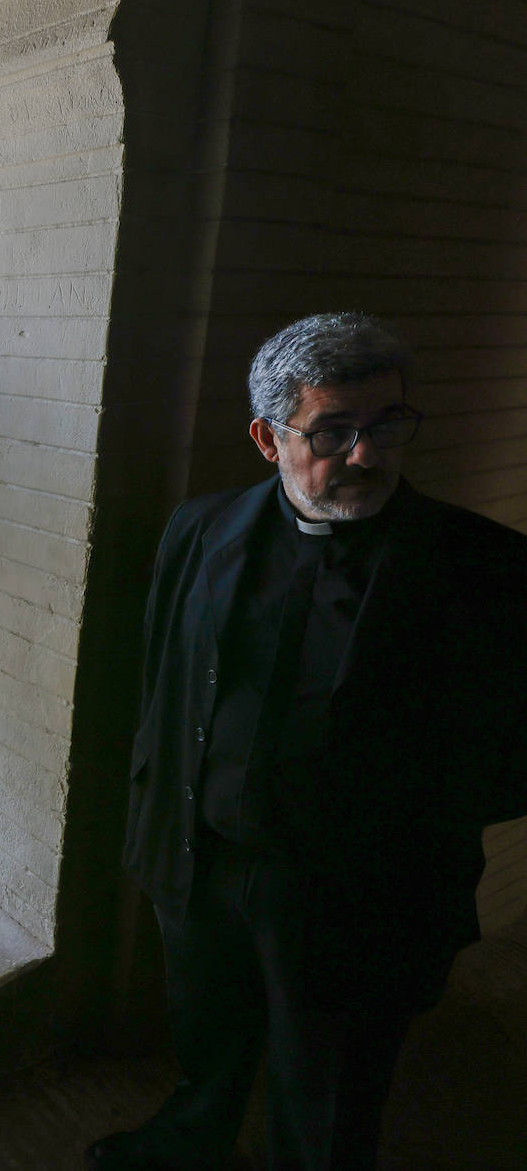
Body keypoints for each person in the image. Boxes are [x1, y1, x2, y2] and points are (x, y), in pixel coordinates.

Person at [87, 313, 527, 1169]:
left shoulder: (485, 568)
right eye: (333, 431)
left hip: (353, 897)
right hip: (203, 860)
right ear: (266, 437)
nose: (367, 456)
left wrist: (401, 815)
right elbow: (163, 685)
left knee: (329, 1095)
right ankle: (192, 1139)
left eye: (387, 425)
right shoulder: (199, 530)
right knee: (208, 1039)